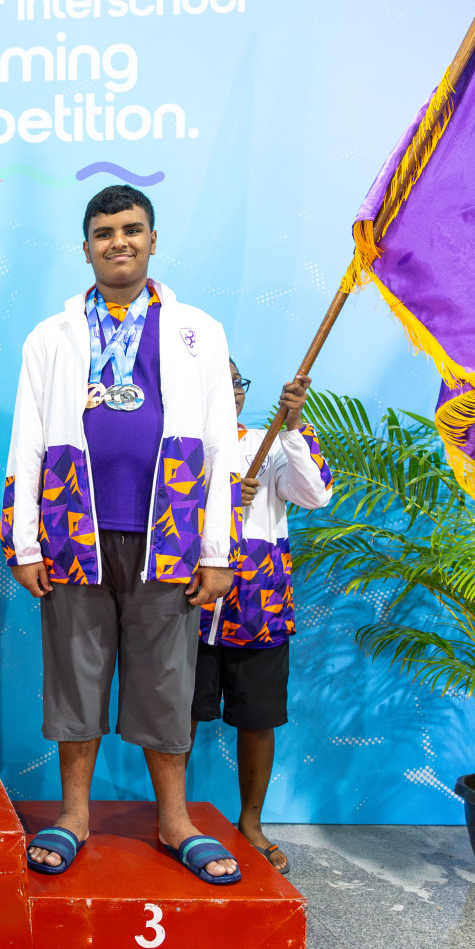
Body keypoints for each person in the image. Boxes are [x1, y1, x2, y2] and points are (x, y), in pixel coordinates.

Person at [1, 185, 246, 884]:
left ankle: (175, 821)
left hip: (168, 533)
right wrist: (23, 542)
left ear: (153, 239)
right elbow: (25, 438)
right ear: (86, 248)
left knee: (167, 681)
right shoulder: (52, 335)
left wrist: (218, 551)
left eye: (132, 229)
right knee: (75, 679)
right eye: (104, 232)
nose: (119, 242)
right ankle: (73, 814)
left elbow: (222, 446)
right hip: (72, 528)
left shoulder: (197, 329)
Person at [189, 362, 332, 876]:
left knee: (258, 717)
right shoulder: (179, 448)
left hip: (259, 607)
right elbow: (154, 514)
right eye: (217, 382)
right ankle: (174, 818)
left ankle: (250, 823)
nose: (228, 392)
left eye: (235, 383)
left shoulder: (268, 445)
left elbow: (315, 493)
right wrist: (220, 495)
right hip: (193, 602)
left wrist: (294, 427)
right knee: (179, 714)